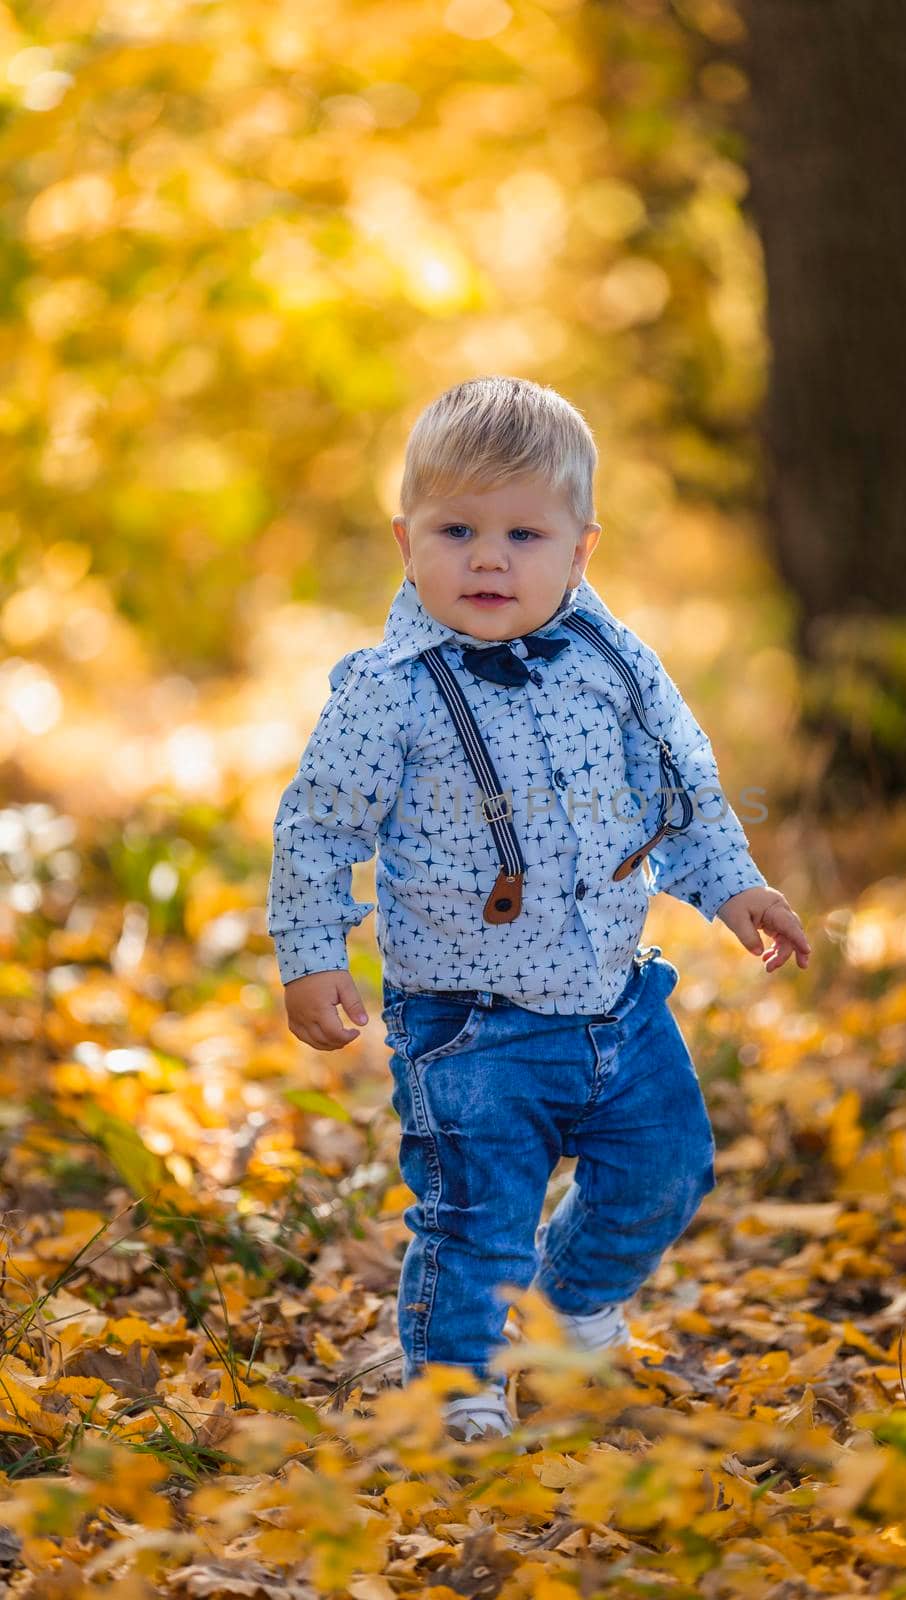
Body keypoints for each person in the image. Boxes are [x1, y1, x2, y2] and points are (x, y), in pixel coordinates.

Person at [267, 376, 810, 1442]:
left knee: (665, 1167)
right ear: (404, 537)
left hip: (616, 1001)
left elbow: (679, 785)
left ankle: (564, 1314)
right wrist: (309, 952)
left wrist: (732, 883)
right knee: (477, 1215)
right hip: (467, 1023)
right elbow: (318, 824)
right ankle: (459, 1383)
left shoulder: (614, 663)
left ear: (579, 551)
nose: (487, 557)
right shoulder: (389, 690)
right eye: (456, 529)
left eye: (522, 533)